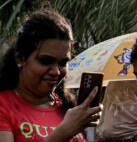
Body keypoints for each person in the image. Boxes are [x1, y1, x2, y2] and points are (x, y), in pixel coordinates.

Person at [0, 10, 101, 142]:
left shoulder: (68, 107)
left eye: (63, 63)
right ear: (20, 58)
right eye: (45, 61)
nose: (56, 72)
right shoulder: (4, 106)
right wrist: (64, 132)